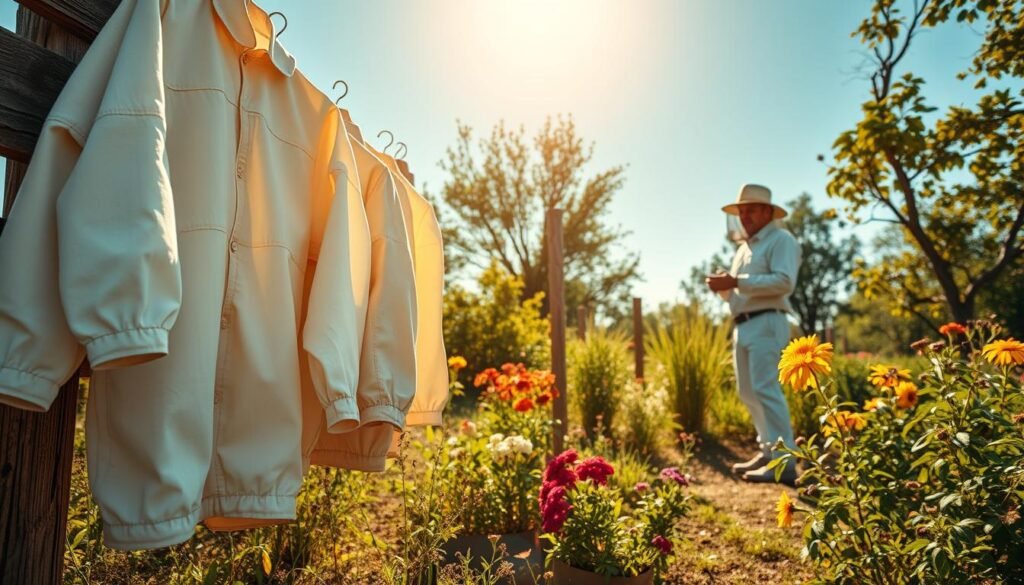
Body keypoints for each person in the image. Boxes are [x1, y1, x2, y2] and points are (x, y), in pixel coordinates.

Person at [706, 184, 799, 485]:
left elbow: (784, 282)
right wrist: (724, 286)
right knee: (748, 391)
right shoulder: (744, 249)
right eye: (741, 211)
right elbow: (737, 290)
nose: (744, 216)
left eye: (751, 210)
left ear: (767, 212)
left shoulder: (781, 240)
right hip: (743, 324)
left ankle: (785, 462)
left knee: (766, 388)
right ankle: (768, 450)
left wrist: (736, 281)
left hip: (767, 322)